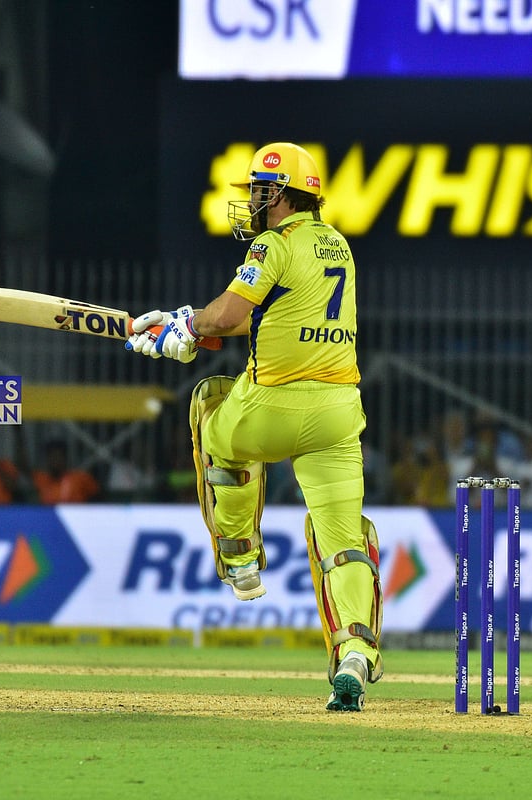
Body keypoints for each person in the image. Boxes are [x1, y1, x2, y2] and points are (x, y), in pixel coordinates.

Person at [125, 142, 381, 711]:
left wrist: (190, 329)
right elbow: (275, 317)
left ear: (284, 194)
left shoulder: (273, 244)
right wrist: (187, 323)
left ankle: (240, 556)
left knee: (211, 407)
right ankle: (355, 656)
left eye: (262, 191)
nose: (255, 201)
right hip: (338, 413)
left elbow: (230, 314)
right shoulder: (338, 245)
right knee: (343, 541)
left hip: (274, 406)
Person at [30, 440, 100, 504]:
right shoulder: (40, 478)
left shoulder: (81, 478)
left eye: (58, 456)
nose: (55, 461)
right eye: (52, 457)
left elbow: (98, 499)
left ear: (65, 458)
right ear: (47, 459)